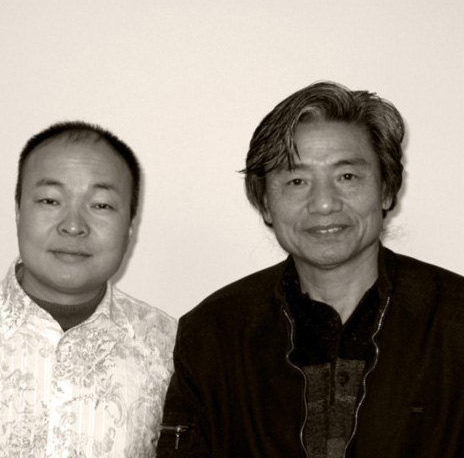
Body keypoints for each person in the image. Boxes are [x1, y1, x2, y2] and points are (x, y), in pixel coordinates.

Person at [156, 81, 464, 458]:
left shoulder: (455, 320)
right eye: (297, 181)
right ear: (264, 203)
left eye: (346, 177)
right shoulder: (212, 335)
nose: (323, 204)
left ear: (386, 189)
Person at [0, 121, 176, 457]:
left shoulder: (170, 350)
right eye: (50, 200)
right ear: (18, 211)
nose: (74, 226)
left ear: (130, 226)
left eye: (101, 205)